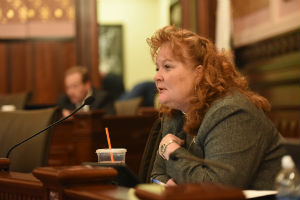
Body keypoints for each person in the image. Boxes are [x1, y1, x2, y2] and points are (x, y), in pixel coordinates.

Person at [148, 26, 286, 190]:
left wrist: (171, 151)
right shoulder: (174, 114)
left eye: (167, 67)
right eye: (157, 68)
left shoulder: (231, 112)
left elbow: (219, 187)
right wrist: (169, 186)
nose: (157, 76)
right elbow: (156, 177)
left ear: (198, 73)